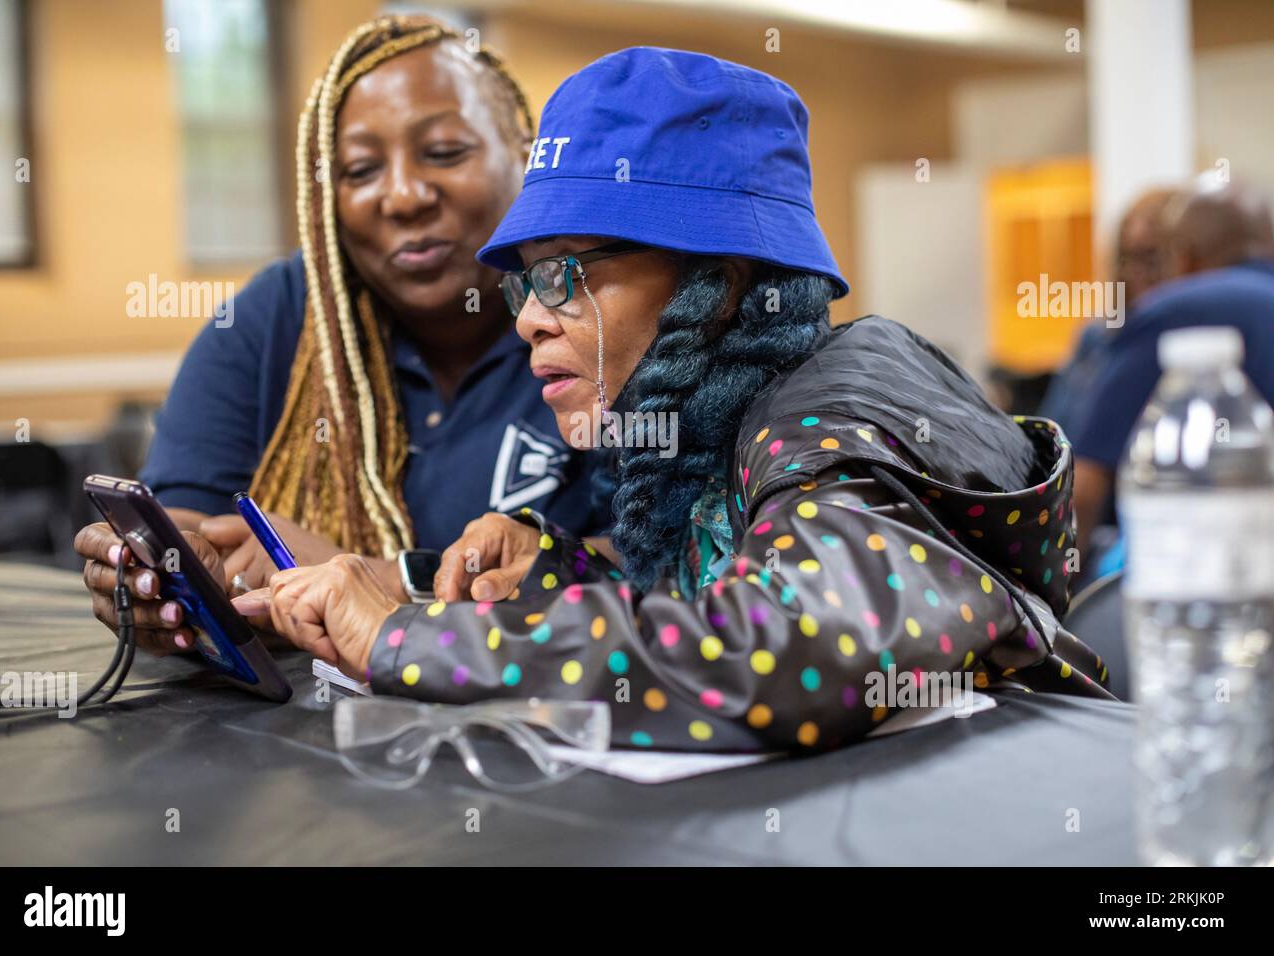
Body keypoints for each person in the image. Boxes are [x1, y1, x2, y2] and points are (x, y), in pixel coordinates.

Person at [235, 47, 1113, 753]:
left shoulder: (835, 424)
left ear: (720, 284)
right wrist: (541, 571)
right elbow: (719, 576)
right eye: (523, 285)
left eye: (565, 274)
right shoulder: (728, 420)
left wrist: (404, 639)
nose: (531, 320)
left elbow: (784, 651)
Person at [73, 15, 604, 655]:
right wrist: (165, 580)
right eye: (359, 170)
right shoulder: (274, 320)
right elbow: (186, 524)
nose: (404, 196)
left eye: (443, 152)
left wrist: (382, 579)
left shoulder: (599, 310)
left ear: (525, 151)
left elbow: (668, 560)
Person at [1068, 181, 1274, 544]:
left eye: (1153, 257)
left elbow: (1085, 486)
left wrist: (1049, 591)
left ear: (1183, 257)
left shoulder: (1172, 312)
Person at [1037, 188, 1178, 433]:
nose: (1138, 273)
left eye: (1152, 257)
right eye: (1128, 257)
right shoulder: (1096, 340)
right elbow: (1053, 433)